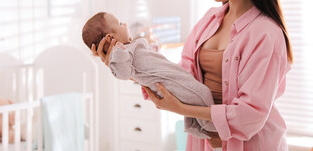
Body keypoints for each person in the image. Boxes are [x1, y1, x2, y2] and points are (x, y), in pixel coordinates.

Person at [92, 0, 292, 151]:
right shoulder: (209, 20)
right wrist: (131, 68)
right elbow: (182, 77)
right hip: (205, 142)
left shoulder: (266, 34)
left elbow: (250, 115)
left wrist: (182, 109)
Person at [82, 12, 216, 138]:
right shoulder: (122, 54)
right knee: (201, 93)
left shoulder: (133, 44)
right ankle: (211, 125)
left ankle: (196, 124)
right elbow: (123, 74)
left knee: (191, 95)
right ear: (111, 38)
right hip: (169, 82)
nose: (125, 25)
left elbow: (151, 60)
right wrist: (117, 54)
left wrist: (154, 48)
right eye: (120, 23)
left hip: (172, 75)